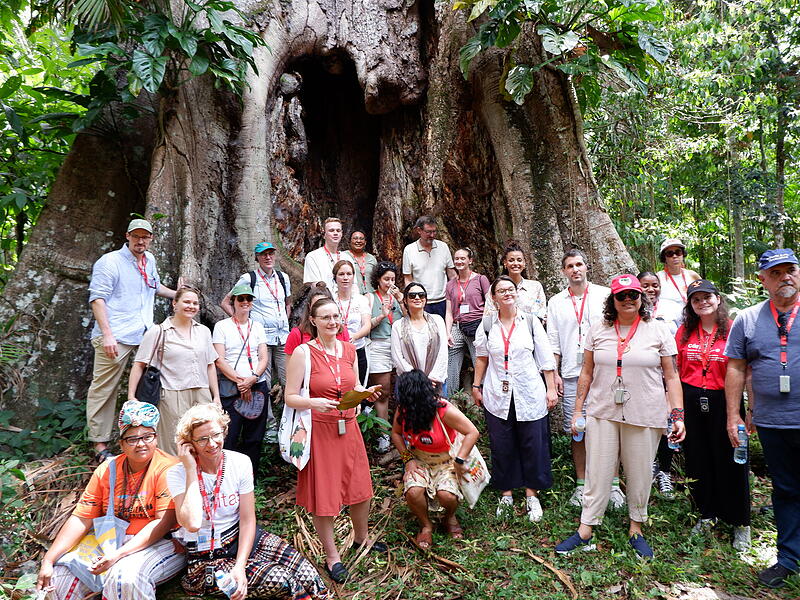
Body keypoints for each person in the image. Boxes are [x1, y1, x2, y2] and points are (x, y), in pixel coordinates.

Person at [556, 275, 685, 558]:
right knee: (597, 472)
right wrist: (578, 409)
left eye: (633, 295)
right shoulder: (598, 329)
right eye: (621, 295)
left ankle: (636, 527)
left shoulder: (658, 330)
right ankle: (585, 529)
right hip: (602, 410)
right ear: (612, 301)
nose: (628, 300)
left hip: (645, 412)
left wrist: (677, 414)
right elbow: (586, 373)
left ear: (642, 298)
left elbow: (671, 376)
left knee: (639, 473)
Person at [168, 404, 329, 599]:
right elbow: (192, 523)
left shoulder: (240, 462)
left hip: (241, 539)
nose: (211, 444)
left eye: (216, 435)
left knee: (307, 574)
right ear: (189, 444)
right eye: (202, 439)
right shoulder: (178, 473)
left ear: (224, 431)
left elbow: (247, 519)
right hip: (206, 558)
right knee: (283, 580)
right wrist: (191, 470)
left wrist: (240, 566)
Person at [36, 400, 185, 600]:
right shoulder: (108, 469)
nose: (141, 444)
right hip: (111, 542)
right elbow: (82, 518)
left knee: (124, 579)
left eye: (147, 437)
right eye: (132, 439)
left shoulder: (168, 468)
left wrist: (118, 555)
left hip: (161, 543)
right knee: (56, 580)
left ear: (156, 438)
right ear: (121, 443)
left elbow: (163, 522)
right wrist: (48, 559)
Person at [284, 298, 384, 584]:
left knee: (360, 487)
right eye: (325, 317)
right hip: (320, 430)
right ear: (313, 321)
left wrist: (366, 393)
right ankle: (332, 556)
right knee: (324, 494)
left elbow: (353, 387)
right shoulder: (303, 352)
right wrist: (314, 402)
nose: (332, 322)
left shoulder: (349, 349)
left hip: (348, 425)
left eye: (335, 316)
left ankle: (361, 538)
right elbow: (291, 396)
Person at [725, 249, 800, 588]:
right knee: (785, 489)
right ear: (763, 279)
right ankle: (788, 558)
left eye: (791, 270)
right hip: (772, 422)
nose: (786, 277)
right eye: (777, 272)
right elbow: (736, 367)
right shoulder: (748, 319)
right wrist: (733, 416)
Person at [86, 218, 181, 461]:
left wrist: (179, 295)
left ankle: (146, 437)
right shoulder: (110, 262)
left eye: (145, 237)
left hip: (144, 335)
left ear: (151, 239)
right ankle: (100, 445)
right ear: (127, 236)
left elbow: (154, 286)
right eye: (136, 236)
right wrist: (107, 334)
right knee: (105, 388)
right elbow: (97, 299)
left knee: (150, 385)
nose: (141, 241)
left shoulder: (149, 260)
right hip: (115, 336)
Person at [472, 276, 558, 522]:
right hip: (498, 393)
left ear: (516, 293)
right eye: (501, 290)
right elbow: (481, 358)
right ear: (494, 297)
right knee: (502, 444)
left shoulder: (530, 322)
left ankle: (532, 495)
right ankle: (506, 494)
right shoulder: (488, 324)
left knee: (533, 443)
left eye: (511, 289)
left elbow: (545, 359)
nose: (507, 293)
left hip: (529, 392)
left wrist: (550, 388)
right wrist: (476, 386)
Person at [676, 279, 750, 550]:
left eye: (707, 297)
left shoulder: (732, 329)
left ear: (718, 299)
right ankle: (706, 514)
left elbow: (744, 369)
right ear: (690, 305)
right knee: (698, 459)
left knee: (732, 460)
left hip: (725, 402)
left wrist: (747, 409)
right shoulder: (685, 331)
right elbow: (675, 370)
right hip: (692, 400)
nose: (702, 302)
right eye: (696, 299)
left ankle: (740, 522)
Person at [547, 250, 624, 509]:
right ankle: (582, 485)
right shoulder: (556, 302)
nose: (575, 269)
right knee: (577, 430)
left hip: (604, 373)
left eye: (579, 264)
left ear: (587, 266)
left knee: (609, 427)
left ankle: (613, 485)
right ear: (563, 272)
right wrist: (554, 373)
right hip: (571, 373)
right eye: (569, 266)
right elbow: (553, 341)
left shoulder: (604, 295)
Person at [391, 370, 479, 548]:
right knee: (413, 491)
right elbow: (396, 433)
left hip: (446, 460)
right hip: (419, 458)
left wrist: (460, 460)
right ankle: (426, 525)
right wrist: (408, 460)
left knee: (446, 495)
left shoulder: (443, 409)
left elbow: (472, 432)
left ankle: (449, 517)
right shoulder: (404, 409)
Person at [128, 287, 220, 455]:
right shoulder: (159, 332)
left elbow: (210, 365)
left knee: (204, 441)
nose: (191, 306)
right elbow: (139, 365)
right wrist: (131, 397)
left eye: (195, 303)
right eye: (186, 302)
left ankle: (199, 479)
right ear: (174, 304)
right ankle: (171, 480)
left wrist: (216, 396)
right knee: (174, 443)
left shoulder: (204, 331)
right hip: (172, 394)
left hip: (202, 393)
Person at [213, 284, 270, 472]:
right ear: (233, 302)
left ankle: (250, 477)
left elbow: (263, 357)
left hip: (257, 385)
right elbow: (219, 360)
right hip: (231, 387)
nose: (245, 302)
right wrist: (241, 382)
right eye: (241, 299)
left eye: (248, 299)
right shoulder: (222, 327)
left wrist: (252, 379)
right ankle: (226, 475)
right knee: (230, 433)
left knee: (254, 436)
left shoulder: (258, 326)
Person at [220, 242, 291, 388]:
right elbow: (226, 302)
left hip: (283, 337)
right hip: (261, 338)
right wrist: (240, 322)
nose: (268, 257)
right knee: (265, 381)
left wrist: (284, 320)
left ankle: (289, 410)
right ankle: (267, 411)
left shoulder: (283, 278)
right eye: (263, 254)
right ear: (256, 257)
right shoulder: (249, 279)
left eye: (271, 253)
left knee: (289, 380)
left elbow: (287, 303)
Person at [638, 270, 679, 499]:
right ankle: (649, 466)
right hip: (643, 376)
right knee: (644, 422)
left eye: (655, 285)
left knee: (667, 423)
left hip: (668, 374)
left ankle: (664, 471)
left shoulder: (672, 309)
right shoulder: (631, 309)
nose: (651, 289)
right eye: (645, 285)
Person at [366, 261, 406, 452]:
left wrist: (401, 298)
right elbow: (365, 327)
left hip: (399, 345)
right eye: (386, 279)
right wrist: (382, 315)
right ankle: (384, 436)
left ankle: (405, 432)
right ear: (378, 280)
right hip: (378, 345)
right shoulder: (369, 298)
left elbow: (410, 317)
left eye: (392, 279)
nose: (390, 283)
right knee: (383, 393)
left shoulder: (399, 297)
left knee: (404, 391)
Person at [444, 247, 490, 397]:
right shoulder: (450, 284)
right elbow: (449, 312)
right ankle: (451, 399)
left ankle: (483, 397)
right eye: (456, 258)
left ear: (470, 260)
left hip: (477, 325)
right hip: (458, 326)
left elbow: (490, 304)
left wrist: (485, 327)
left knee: (480, 360)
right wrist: (447, 333)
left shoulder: (480, 279)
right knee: (451, 363)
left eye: (462, 258)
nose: (459, 261)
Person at [391, 282, 449, 395]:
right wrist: (419, 380)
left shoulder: (438, 321)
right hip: (409, 383)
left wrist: (432, 378)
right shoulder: (398, 326)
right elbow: (397, 357)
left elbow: (443, 353)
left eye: (421, 295)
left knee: (437, 412)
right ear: (405, 300)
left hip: (435, 380)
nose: (417, 298)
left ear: (425, 299)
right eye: (412, 295)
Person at [401, 215, 455, 319]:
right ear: (419, 230)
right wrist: (411, 299)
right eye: (428, 232)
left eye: (434, 231)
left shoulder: (443, 247)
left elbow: (451, 274)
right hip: (421, 301)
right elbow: (408, 279)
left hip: (443, 300)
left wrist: (456, 294)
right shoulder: (409, 250)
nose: (432, 235)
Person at [485, 240, 546, 321]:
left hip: (531, 330)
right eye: (511, 260)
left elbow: (542, 313)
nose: (515, 263)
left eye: (519, 260)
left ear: (524, 263)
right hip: (504, 331)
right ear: (505, 263)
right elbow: (488, 316)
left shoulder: (535, 287)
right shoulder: (495, 287)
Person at [333, 260, 372, 386]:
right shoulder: (330, 300)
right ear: (335, 277)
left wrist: (353, 337)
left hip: (357, 348)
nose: (345, 278)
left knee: (358, 387)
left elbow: (367, 325)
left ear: (353, 277)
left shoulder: (361, 300)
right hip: (335, 350)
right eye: (341, 274)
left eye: (349, 274)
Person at [284, 283, 347, 356]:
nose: (321, 308)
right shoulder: (297, 334)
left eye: (324, 303)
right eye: (316, 305)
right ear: (309, 307)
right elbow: (290, 365)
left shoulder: (341, 331)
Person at [656, 238, 700, 322]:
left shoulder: (692, 275)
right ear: (664, 258)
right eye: (670, 253)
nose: (675, 256)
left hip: (691, 321)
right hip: (668, 324)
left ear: (683, 254)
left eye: (678, 252)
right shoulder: (658, 277)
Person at [304, 217, 343, 291]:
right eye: (331, 230)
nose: (335, 233)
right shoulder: (313, 257)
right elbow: (315, 286)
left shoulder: (347, 257)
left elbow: (354, 285)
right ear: (324, 234)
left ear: (341, 234)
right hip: (324, 300)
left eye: (338, 230)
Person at [342, 229, 378, 294]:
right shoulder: (344, 256)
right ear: (349, 241)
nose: (358, 241)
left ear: (365, 242)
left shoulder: (371, 258)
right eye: (355, 238)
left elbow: (377, 278)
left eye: (361, 239)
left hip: (371, 296)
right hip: (352, 296)